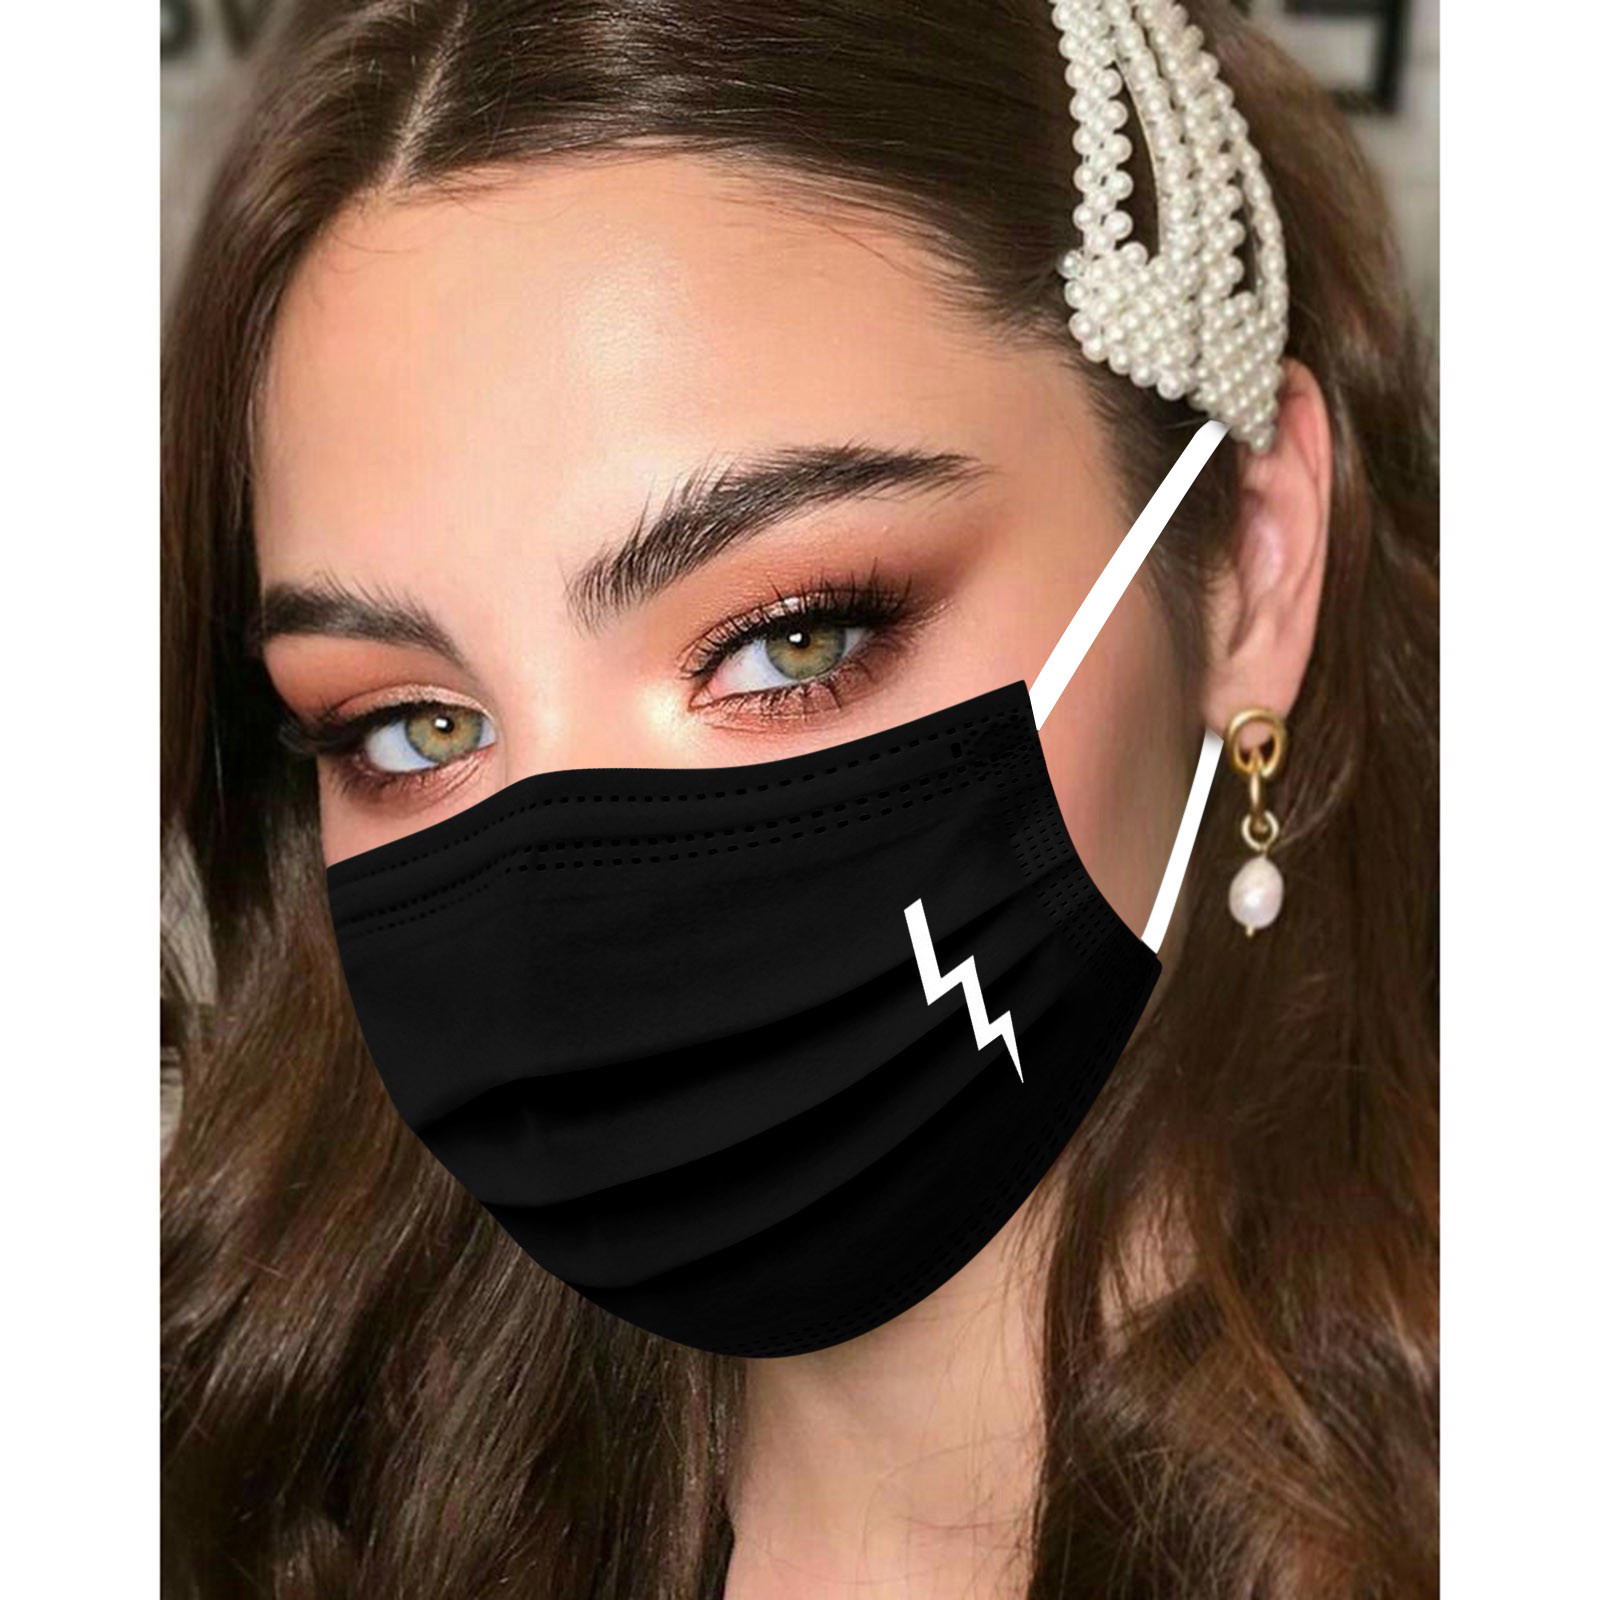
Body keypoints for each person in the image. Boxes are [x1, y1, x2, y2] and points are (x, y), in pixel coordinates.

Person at [160, 1, 1438, 1594]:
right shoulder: (293, 1506)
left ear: (1250, 562)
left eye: (791, 639)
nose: (581, 935)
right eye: (414, 728)